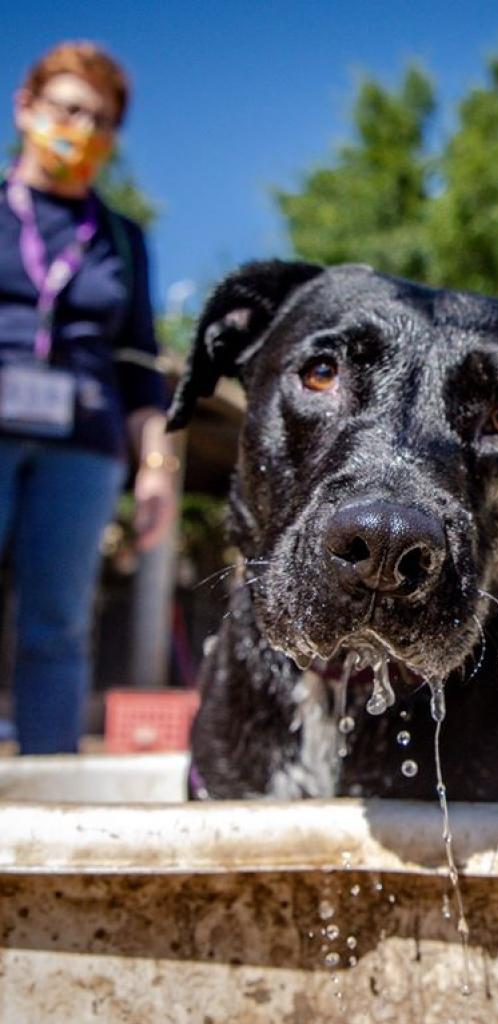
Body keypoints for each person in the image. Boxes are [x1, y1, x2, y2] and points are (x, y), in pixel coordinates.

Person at [0, 41, 175, 754]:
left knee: (59, 622)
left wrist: (156, 471)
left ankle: (45, 793)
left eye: (99, 119)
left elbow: (138, 365)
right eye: (68, 109)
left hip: (85, 446)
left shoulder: (122, 240)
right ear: (27, 109)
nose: (81, 128)